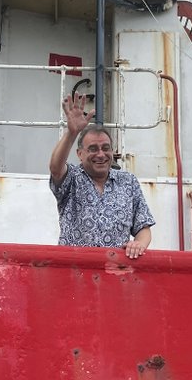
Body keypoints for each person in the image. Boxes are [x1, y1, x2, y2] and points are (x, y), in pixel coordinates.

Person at [49, 93, 154, 259]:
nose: (100, 154)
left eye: (106, 148)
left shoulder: (128, 181)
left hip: (115, 274)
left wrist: (139, 243)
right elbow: (55, 168)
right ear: (80, 154)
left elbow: (143, 226)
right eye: (92, 149)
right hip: (75, 272)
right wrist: (71, 133)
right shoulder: (72, 178)